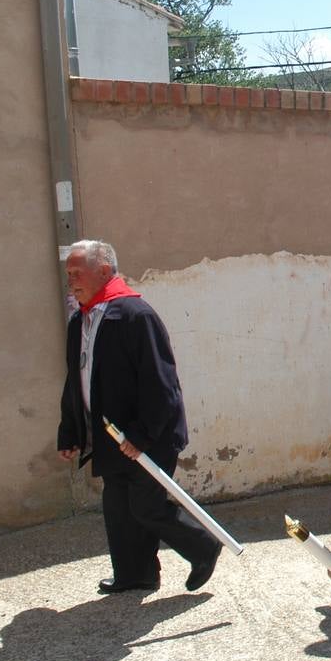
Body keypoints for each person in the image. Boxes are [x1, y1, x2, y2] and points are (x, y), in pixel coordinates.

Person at [57, 240, 221, 594]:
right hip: (111, 437)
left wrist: (141, 435)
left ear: (103, 271)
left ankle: (204, 547)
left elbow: (161, 384)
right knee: (118, 507)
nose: (70, 280)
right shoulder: (79, 322)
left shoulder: (135, 316)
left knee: (145, 506)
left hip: (150, 435)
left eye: (76, 273)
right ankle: (136, 574)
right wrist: (70, 431)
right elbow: (77, 380)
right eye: (68, 273)